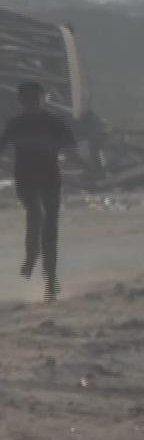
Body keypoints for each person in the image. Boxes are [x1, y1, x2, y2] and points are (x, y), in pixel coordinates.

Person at [0, 82, 78, 302]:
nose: (32, 103)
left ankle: (50, 280)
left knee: (50, 230)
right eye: (28, 99)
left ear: (44, 99)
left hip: (51, 180)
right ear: (21, 101)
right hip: (25, 180)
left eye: (36, 98)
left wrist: (76, 161)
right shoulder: (15, 124)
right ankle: (31, 256)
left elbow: (72, 149)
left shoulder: (54, 123)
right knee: (36, 214)